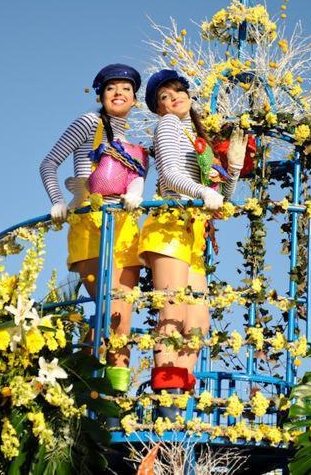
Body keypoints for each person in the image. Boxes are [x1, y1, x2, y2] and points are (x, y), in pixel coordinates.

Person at [138, 69, 246, 401]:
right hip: (170, 225)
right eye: (164, 98)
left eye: (178, 92)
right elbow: (170, 176)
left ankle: (179, 394)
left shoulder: (197, 140)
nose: (173, 100)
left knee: (198, 323)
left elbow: (222, 201)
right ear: (159, 109)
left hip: (193, 232)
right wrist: (203, 192)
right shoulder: (168, 126)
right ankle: (167, 404)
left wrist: (235, 170)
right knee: (173, 315)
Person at [39, 63, 144, 394]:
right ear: (100, 94)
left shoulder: (131, 137)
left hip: (125, 227)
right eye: (112, 87)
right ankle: (79, 386)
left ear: (135, 99)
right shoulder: (88, 123)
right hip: (90, 224)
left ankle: (113, 399)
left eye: (126, 89)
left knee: (121, 319)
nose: (119, 93)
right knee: (110, 308)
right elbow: (48, 163)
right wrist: (58, 201)